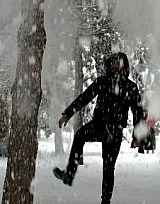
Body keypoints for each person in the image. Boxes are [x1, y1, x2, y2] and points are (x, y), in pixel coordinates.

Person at [53, 52, 145, 204]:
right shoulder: (102, 82)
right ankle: (69, 175)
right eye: (112, 62)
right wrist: (67, 114)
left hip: (115, 131)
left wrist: (137, 136)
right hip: (98, 125)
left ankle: (105, 201)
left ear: (124, 65)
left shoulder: (130, 87)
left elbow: (137, 112)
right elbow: (85, 97)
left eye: (118, 63)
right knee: (80, 135)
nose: (114, 65)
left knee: (108, 168)